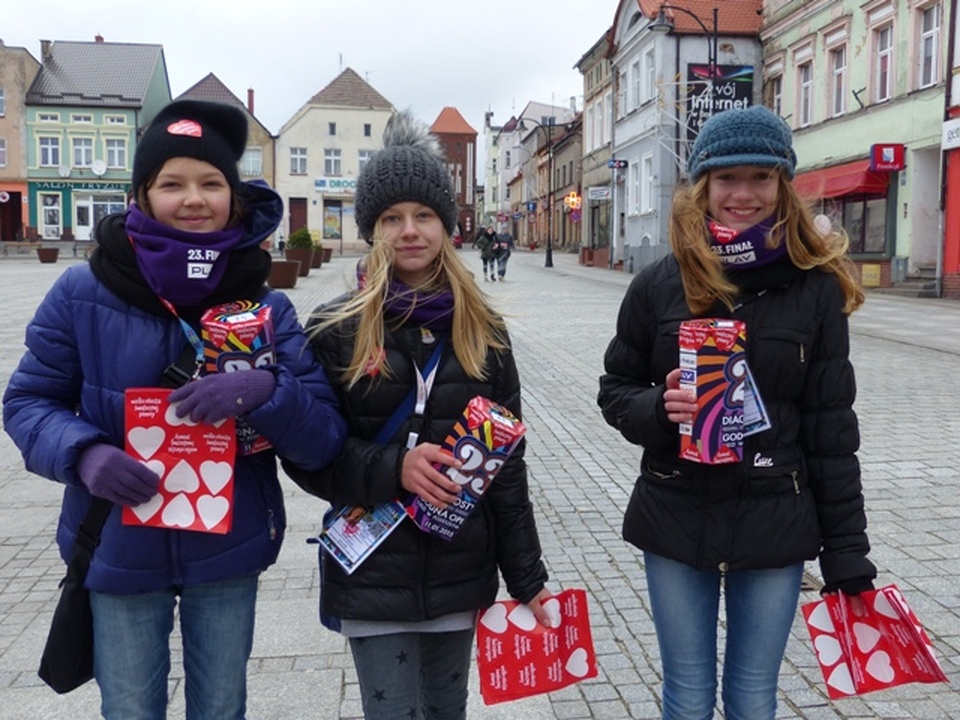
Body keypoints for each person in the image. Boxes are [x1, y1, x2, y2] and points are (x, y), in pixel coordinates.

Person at [3, 99, 347, 719]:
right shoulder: (82, 291)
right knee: (131, 709)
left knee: (221, 708)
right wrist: (85, 454)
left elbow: (322, 439)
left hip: (229, 547)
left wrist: (268, 391)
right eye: (172, 184)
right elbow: (28, 401)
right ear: (142, 194)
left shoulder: (266, 306)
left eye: (211, 183)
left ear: (233, 198)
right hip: (117, 542)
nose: (193, 199)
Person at [597, 105, 876, 720]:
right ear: (703, 185)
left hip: (775, 518)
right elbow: (615, 388)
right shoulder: (659, 284)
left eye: (760, 177)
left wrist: (847, 552)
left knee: (752, 699)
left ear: (783, 186)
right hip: (675, 511)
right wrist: (657, 407)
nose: (743, 194)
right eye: (727, 178)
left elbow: (832, 431)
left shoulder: (815, 289)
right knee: (688, 697)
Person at [283, 110, 553, 720]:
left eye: (424, 215)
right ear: (372, 229)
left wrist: (527, 578)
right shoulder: (335, 328)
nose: (409, 231)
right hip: (373, 571)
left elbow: (507, 467)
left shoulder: (484, 331)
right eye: (391, 218)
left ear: (447, 225)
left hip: (460, 569)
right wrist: (392, 468)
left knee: (447, 711)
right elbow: (308, 456)